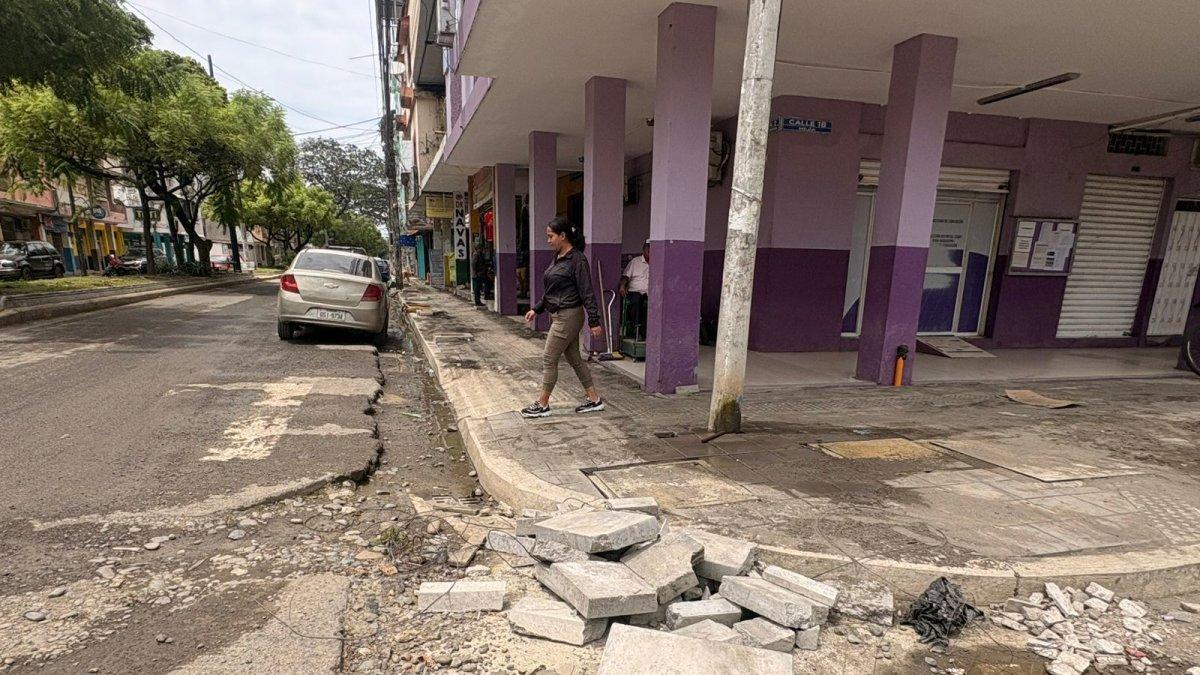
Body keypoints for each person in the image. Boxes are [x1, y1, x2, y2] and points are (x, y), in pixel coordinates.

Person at [521, 218, 605, 418]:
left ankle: (542, 404)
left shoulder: (578, 260)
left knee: (549, 358)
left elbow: (587, 292)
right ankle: (594, 400)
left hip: (569, 315)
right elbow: (552, 290)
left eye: (551, 236)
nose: (548, 240)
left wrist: (594, 320)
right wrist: (537, 309)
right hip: (557, 314)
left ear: (563, 236)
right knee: (574, 357)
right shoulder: (558, 257)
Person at [619, 241, 650, 339]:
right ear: (644, 251)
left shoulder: (658, 262)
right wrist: (622, 285)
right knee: (637, 302)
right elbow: (625, 276)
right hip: (635, 291)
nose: (650, 254)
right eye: (648, 251)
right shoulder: (635, 262)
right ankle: (636, 328)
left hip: (649, 292)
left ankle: (646, 332)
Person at [471, 242, 492, 307]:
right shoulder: (476, 255)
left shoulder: (480, 254)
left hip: (481, 274)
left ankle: (486, 295)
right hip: (477, 275)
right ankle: (478, 302)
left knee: (488, 282)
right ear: (478, 249)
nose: (482, 250)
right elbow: (473, 264)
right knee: (477, 288)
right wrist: (476, 273)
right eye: (480, 248)